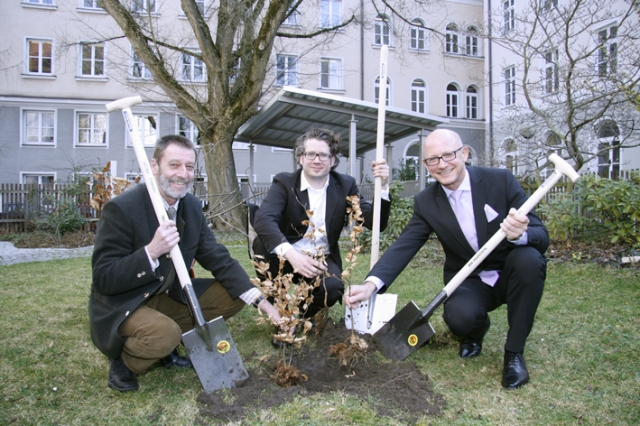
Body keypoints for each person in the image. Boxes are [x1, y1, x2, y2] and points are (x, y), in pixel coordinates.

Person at [344, 129, 548, 389]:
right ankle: (474, 331)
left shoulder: (500, 181)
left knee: (529, 259)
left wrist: (521, 234)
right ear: (426, 165)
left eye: (448, 155)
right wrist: (371, 285)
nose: (442, 164)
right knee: (460, 319)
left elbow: (542, 236)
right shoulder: (427, 202)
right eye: (433, 159)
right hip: (468, 278)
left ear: (464, 153)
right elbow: (405, 245)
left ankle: (514, 353)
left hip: (512, 271)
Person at [89, 134, 280, 392]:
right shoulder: (122, 209)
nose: (183, 174)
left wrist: (262, 302)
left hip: (166, 295)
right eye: (174, 165)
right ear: (155, 167)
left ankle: (163, 347)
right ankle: (126, 363)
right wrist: (150, 252)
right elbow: (103, 277)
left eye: (189, 167)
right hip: (126, 302)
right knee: (164, 334)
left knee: (234, 295)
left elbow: (217, 257)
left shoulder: (189, 206)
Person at [252, 127, 392, 344]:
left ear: (333, 159)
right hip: (285, 257)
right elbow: (263, 219)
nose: (316, 160)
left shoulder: (345, 185)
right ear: (300, 158)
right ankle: (281, 315)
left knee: (334, 287)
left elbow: (376, 223)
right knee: (264, 247)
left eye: (323, 155)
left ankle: (300, 315)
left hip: (321, 257)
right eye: (310, 154)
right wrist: (292, 255)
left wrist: (383, 187)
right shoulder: (284, 183)